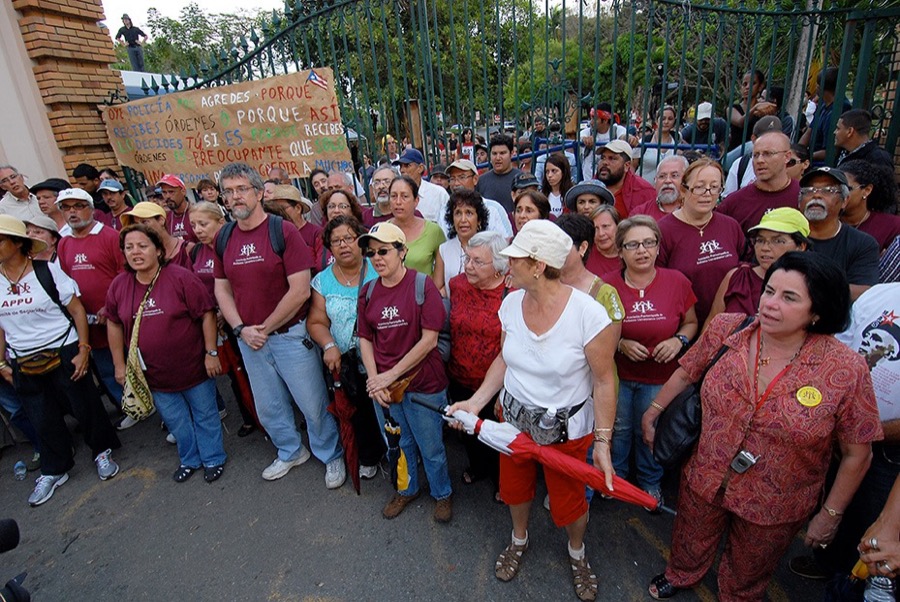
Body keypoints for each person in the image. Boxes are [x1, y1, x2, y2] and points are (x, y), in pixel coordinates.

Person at [642, 252, 881, 602]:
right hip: (706, 474)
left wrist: (830, 514)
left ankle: (738, 594)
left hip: (777, 501)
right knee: (690, 535)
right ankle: (682, 573)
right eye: (769, 291)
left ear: (817, 311)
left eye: (789, 298)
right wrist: (654, 410)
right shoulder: (728, 329)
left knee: (752, 564)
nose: (770, 304)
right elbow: (687, 371)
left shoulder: (845, 369)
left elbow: (857, 453)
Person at [447, 219, 618, 602]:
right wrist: (475, 403)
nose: (509, 265)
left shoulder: (588, 315)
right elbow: (504, 361)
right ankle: (518, 539)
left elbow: (605, 380)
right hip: (514, 422)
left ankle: (578, 554)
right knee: (515, 490)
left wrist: (603, 443)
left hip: (567, 432)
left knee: (569, 500)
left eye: (515, 259)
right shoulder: (510, 304)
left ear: (538, 265)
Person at [214, 162, 344, 487]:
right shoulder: (224, 236)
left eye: (242, 189)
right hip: (250, 340)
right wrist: (242, 329)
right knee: (269, 406)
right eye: (228, 192)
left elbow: (300, 290)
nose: (235, 197)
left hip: (289, 336)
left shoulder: (282, 231)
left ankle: (331, 455)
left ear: (259, 192)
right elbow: (221, 288)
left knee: (312, 403)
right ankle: (290, 451)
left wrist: (265, 327)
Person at [0, 215, 121, 506]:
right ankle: (55, 469)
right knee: (41, 414)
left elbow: (78, 311)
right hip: (22, 358)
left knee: (84, 405)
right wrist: (1, 364)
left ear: (18, 244)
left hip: (63, 349)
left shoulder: (47, 272)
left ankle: (101, 451)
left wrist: (83, 349)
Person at [106, 224, 226, 483]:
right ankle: (190, 459)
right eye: (129, 247)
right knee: (176, 421)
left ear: (159, 250)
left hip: (194, 367)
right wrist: (118, 365)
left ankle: (213, 458)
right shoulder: (119, 285)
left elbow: (206, 313)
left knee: (205, 414)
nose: (135, 252)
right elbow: (114, 323)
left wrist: (211, 352)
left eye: (142, 246)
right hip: (155, 375)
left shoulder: (180, 277)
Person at [356, 222, 453, 522]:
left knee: (431, 446)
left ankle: (442, 493)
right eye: (371, 253)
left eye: (383, 251)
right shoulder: (368, 291)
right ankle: (407, 489)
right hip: (384, 387)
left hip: (423, 383)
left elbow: (429, 341)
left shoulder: (423, 286)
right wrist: (375, 379)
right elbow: (365, 337)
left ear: (402, 252)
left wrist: (389, 375)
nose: (377, 258)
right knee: (399, 444)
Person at [605, 215, 697, 507]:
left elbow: (692, 322)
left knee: (649, 430)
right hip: (618, 374)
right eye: (632, 245)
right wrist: (619, 343)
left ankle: (649, 482)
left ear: (658, 247)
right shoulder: (607, 287)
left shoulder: (677, 282)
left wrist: (678, 340)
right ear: (620, 251)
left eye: (648, 243)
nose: (642, 250)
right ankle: (615, 480)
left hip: (661, 378)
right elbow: (593, 332)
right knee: (617, 429)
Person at [307, 216, 384, 480]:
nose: (343, 245)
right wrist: (328, 345)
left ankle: (399, 451)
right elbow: (316, 321)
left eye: (349, 238)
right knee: (358, 411)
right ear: (329, 247)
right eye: (336, 240)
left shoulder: (378, 269)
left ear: (360, 242)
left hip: (382, 357)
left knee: (387, 407)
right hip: (346, 361)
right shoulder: (322, 281)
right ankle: (369, 455)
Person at [446, 231, 509, 501]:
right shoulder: (457, 285)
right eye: (467, 259)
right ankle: (478, 467)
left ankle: (502, 481)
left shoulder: (511, 295)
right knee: (468, 431)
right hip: (460, 374)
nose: (468, 266)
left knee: (497, 436)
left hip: (496, 383)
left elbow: (510, 351)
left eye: (477, 261)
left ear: (498, 268)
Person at [189, 201, 258, 438]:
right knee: (233, 374)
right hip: (215, 323)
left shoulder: (233, 245)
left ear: (221, 222)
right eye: (193, 225)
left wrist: (225, 311)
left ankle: (264, 415)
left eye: (203, 224)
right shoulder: (197, 251)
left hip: (239, 318)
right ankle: (249, 415)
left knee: (250, 371)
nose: (197, 229)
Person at [55, 188, 127, 414]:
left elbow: (124, 274)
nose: (72, 212)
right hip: (89, 323)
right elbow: (66, 282)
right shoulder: (64, 243)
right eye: (66, 208)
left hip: (117, 317)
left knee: (133, 363)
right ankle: (127, 407)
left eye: (78, 206)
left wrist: (111, 305)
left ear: (91, 209)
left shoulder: (110, 237)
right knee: (106, 369)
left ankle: (154, 405)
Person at [657, 158, 744, 326]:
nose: (707, 194)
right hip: (682, 325)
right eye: (699, 187)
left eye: (714, 187)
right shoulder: (664, 230)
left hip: (726, 324)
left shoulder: (731, 226)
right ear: (683, 190)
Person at [707, 207, 810, 328]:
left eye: (777, 241)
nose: (765, 247)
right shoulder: (737, 277)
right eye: (760, 240)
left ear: (801, 246)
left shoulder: (810, 284)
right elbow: (710, 328)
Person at [798, 166, 880, 301]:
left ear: (845, 201)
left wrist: (807, 288)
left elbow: (864, 292)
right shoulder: (785, 235)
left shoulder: (863, 243)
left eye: (828, 190)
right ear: (799, 201)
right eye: (809, 190)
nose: (816, 195)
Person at [717, 131, 801, 240]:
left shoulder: (803, 196)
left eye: (768, 154)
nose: (760, 160)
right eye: (755, 155)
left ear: (787, 157)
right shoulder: (734, 202)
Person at [387, 175, 445, 278]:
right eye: (394, 196)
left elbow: (442, 271)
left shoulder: (433, 231)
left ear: (416, 201)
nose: (398, 202)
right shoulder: (381, 231)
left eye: (405, 196)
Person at [839, 160, 900, 252]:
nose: (839, 194)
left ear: (867, 190)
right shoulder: (822, 220)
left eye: (846, 189)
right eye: (832, 189)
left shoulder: (892, 226)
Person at [434, 189, 489, 292]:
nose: (463, 220)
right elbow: (437, 288)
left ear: (479, 220)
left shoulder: (489, 248)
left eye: (469, 213)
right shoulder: (443, 250)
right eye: (458, 213)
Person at [446, 159, 514, 238]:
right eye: (452, 179)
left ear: (475, 179)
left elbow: (507, 242)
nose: (456, 183)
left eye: (462, 177)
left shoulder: (494, 209)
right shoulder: (444, 211)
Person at [120, 202, 194, 271]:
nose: (140, 228)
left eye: (144, 222)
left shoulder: (188, 250)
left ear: (161, 220)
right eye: (135, 224)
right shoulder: (139, 259)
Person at [722, 116, 784, 197]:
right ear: (754, 139)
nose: (771, 142)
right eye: (765, 138)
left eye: (775, 138)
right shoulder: (740, 165)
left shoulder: (786, 164)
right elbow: (728, 199)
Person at [595, 140, 655, 219]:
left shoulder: (644, 192)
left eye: (612, 158)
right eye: (603, 158)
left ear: (627, 165)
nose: (605, 162)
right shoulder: (590, 186)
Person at [394, 148, 450, 223]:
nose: (402, 170)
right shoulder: (395, 195)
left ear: (420, 168)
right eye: (401, 166)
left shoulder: (439, 194)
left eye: (407, 165)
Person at [580, 102, 632, 179]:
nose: (591, 122)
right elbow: (581, 136)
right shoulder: (587, 132)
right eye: (591, 118)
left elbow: (623, 136)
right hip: (589, 183)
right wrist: (585, 139)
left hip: (611, 181)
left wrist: (630, 138)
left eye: (594, 118)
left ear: (605, 121)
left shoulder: (617, 130)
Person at [630, 155, 688, 221]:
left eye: (674, 176)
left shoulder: (695, 212)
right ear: (655, 181)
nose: (667, 181)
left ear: (686, 180)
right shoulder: (640, 213)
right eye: (662, 176)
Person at [475, 134, 522, 213]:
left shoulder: (522, 178)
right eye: (494, 153)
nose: (497, 158)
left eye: (502, 153)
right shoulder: (481, 181)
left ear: (511, 154)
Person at [635, 105, 679, 185]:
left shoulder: (677, 140)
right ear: (656, 120)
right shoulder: (645, 141)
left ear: (674, 122)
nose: (666, 122)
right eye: (663, 118)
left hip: (666, 191)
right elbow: (632, 166)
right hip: (642, 189)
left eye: (670, 119)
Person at [157, 174, 199, 244]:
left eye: (171, 192)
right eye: (164, 192)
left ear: (183, 192)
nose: (167, 196)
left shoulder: (198, 213)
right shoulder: (165, 218)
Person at [586, 205, 622, 278]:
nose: (601, 233)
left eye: (605, 226)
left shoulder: (629, 255)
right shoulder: (584, 255)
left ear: (618, 226)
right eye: (596, 228)